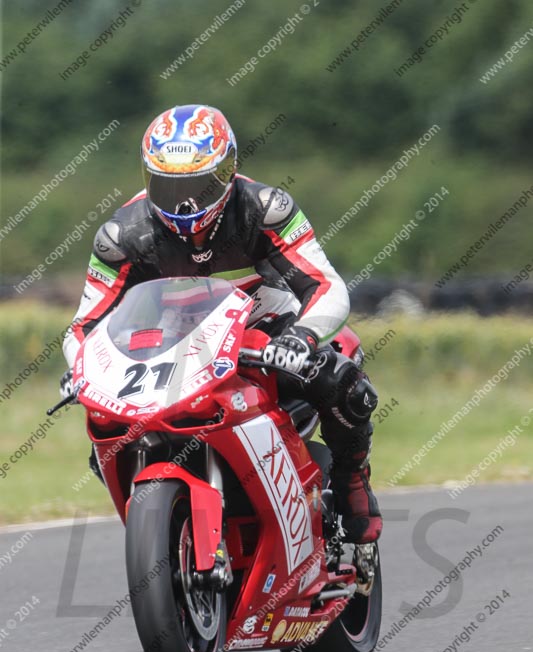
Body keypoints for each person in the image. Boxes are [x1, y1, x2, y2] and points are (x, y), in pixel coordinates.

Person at [61, 104, 382, 545]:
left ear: (228, 171)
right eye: (169, 187)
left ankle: (350, 481)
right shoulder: (121, 236)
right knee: (108, 441)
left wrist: (301, 338)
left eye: (198, 185)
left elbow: (326, 285)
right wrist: (83, 367)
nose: (184, 204)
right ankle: (169, 527)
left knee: (341, 378)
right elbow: (85, 325)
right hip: (171, 347)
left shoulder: (266, 209)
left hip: (265, 328)